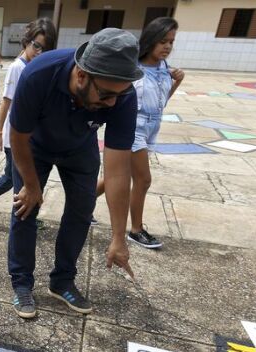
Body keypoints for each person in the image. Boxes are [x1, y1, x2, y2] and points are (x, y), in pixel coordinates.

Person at [7, 28, 141, 319]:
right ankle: (22, 284)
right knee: (24, 208)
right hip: (34, 147)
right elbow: (17, 137)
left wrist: (119, 236)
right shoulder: (39, 74)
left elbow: (118, 171)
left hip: (80, 147)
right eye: (105, 95)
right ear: (81, 76)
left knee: (82, 210)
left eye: (118, 96)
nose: (112, 104)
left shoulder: (122, 95)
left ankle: (62, 280)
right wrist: (31, 186)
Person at [94, 17, 184, 250]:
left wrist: (175, 84)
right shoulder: (133, 69)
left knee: (116, 177)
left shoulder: (165, 69)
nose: (167, 47)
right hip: (133, 127)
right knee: (143, 179)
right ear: (151, 40)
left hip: (152, 127)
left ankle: (80, 205)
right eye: (163, 41)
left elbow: (160, 103)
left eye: (171, 42)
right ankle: (135, 229)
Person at [0, 18, 57, 226]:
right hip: (15, 137)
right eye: (37, 46)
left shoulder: (36, 66)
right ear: (27, 41)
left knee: (13, 178)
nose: (40, 52)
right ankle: (22, 217)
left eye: (45, 48)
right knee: (19, 180)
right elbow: (6, 103)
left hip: (28, 135)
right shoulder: (18, 68)